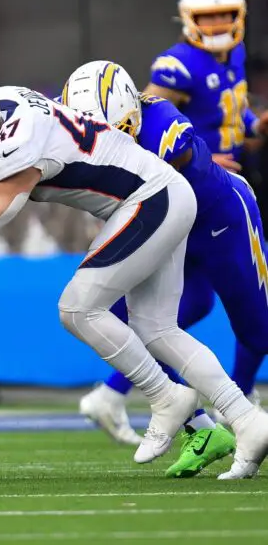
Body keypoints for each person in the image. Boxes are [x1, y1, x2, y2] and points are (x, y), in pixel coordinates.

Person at [0, 83, 268, 479]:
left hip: (151, 199)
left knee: (78, 308)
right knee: (157, 329)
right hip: (162, 194)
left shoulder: (16, 147)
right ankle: (248, 421)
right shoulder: (2, 106)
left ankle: (167, 396)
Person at [64, 60, 268, 477]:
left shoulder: (159, 121)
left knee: (258, 331)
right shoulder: (71, 118)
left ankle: (240, 409)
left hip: (218, 222)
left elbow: (167, 176)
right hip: (169, 230)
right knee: (143, 325)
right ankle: (206, 427)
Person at [145, 0, 268, 399]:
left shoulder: (234, 55)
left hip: (230, 188)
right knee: (256, 304)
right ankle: (239, 394)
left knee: (197, 301)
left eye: (224, 15)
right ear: (188, 18)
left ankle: (115, 391)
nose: (217, 24)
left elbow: (230, 115)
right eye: (207, 16)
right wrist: (201, 156)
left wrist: (257, 124)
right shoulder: (176, 66)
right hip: (199, 193)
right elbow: (142, 124)